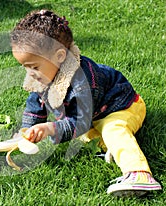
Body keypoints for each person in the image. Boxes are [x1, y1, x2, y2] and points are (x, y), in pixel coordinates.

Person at [9, 9, 162, 197]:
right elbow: (36, 103)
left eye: (34, 66)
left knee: (113, 130)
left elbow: (80, 121)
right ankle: (114, 150)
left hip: (122, 107)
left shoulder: (83, 81)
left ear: (59, 56)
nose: (30, 73)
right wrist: (26, 131)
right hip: (94, 115)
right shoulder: (42, 76)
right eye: (25, 67)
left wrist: (50, 128)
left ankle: (140, 174)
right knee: (85, 138)